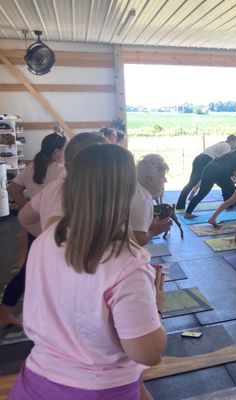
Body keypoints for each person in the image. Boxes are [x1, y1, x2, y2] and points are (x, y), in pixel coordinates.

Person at [9, 144, 166, 400]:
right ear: (127, 193)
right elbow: (146, 354)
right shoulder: (127, 262)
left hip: (35, 382)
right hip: (99, 390)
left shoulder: (45, 240)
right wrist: (157, 309)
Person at [0, 133, 67, 329]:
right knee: (49, 272)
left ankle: (6, 311)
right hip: (54, 230)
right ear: (57, 152)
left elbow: (12, 188)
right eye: (65, 148)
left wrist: (25, 208)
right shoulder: (62, 172)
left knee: (31, 269)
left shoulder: (33, 167)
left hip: (35, 226)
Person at [184, 145, 236, 218]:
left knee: (202, 193)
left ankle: (188, 213)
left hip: (208, 170)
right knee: (235, 192)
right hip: (219, 173)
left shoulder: (232, 153)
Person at [176, 135, 236, 210]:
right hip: (206, 160)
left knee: (192, 183)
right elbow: (226, 161)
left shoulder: (220, 144)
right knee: (224, 181)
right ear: (233, 141)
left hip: (199, 159)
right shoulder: (226, 146)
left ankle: (180, 205)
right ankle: (228, 203)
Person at [131, 154, 172, 246]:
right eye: (162, 177)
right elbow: (138, 240)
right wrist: (154, 231)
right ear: (150, 179)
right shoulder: (143, 198)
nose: (165, 180)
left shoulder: (135, 189)